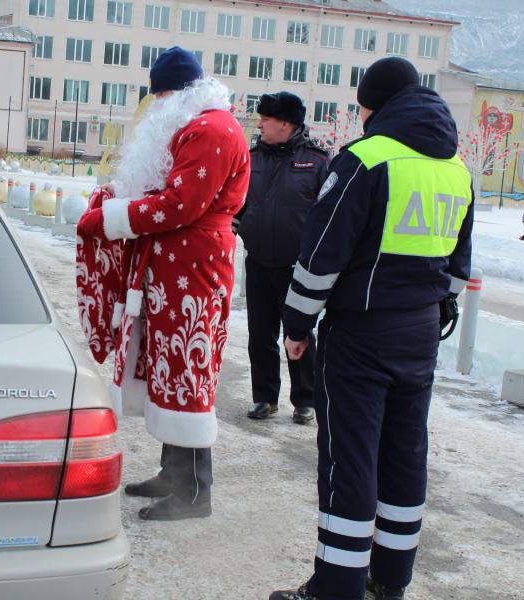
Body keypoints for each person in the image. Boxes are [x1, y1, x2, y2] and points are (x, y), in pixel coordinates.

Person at [269, 56, 474, 600]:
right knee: (405, 455)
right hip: (420, 335)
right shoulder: (456, 168)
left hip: (361, 337)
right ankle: (390, 580)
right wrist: (438, 310)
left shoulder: (365, 159)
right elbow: (458, 266)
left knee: (349, 460)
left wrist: (296, 322)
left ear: (374, 104)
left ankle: (335, 588)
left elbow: (320, 255)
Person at [76, 47, 250, 521]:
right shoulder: (196, 124)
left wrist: (111, 219)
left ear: (178, 93)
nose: (155, 107)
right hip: (175, 264)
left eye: (161, 96)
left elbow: (179, 205)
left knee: (188, 371)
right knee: (167, 367)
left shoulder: (212, 129)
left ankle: (196, 491)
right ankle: (174, 472)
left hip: (193, 266)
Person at [234, 92, 328, 423]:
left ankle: (305, 400)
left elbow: (326, 214)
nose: (259, 124)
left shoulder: (317, 162)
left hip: (297, 268)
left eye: (266, 119)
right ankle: (265, 397)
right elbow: (237, 204)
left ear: (285, 125)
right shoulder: (252, 158)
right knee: (260, 334)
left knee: (298, 333)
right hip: (258, 261)